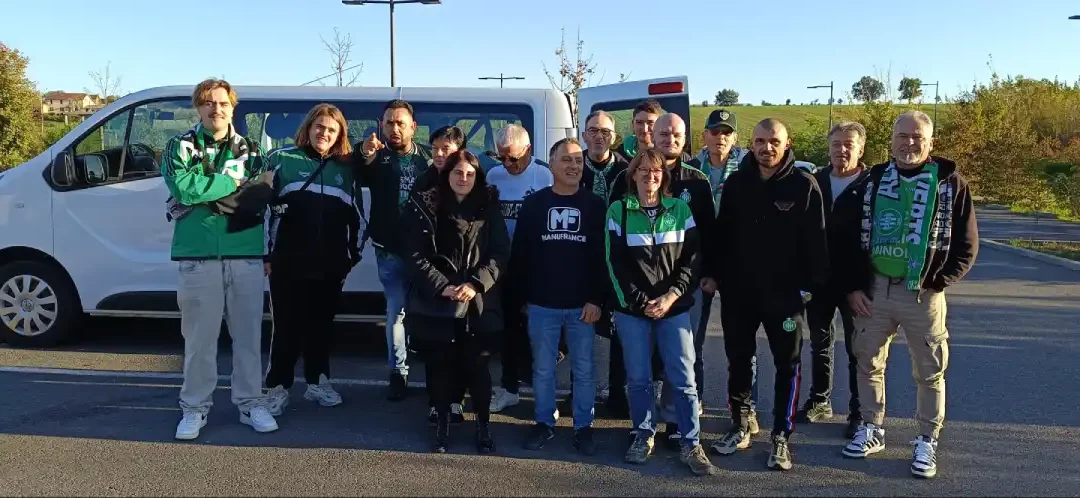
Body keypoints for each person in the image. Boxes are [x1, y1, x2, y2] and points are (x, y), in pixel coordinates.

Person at [838, 111, 978, 480]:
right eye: (903, 136)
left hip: (924, 293)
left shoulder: (950, 183)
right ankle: (872, 428)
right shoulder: (872, 180)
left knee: (931, 370)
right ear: (892, 139)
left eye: (917, 136)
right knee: (868, 362)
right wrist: (853, 286)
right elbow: (848, 237)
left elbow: (967, 243)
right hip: (875, 290)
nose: (909, 143)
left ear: (931, 142)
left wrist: (940, 280)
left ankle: (926, 440)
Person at [709, 118, 829, 471]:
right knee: (739, 361)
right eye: (760, 141)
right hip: (739, 295)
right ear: (752, 143)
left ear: (787, 142)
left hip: (785, 298)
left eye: (774, 141)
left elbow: (817, 243)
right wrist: (717, 276)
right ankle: (740, 424)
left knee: (787, 366)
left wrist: (807, 290)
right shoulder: (736, 183)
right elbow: (721, 237)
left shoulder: (804, 185)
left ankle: (780, 435)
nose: (767, 148)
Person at [163, 79, 278, 439]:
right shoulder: (178, 146)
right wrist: (232, 182)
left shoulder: (253, 150)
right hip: (197, 257)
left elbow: (259, 194)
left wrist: (208, 188)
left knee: (247, 338)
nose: (217, 109)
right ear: (198, 107)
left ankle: (251, 404)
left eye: (223, 103)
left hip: (244, 254)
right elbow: (183, 188)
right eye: (209, 103)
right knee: (199, 342)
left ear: (233, 107)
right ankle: (194, 409)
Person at [605, 148, 717, 476]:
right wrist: (640, 302)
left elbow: (692, 260)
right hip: (632, 310)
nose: (650, 176)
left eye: (656, 171)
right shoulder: (618, 210)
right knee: (638, 379)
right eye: (643, 171)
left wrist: (670, 296)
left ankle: (691, 442)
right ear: (633, 175)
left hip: (674, 308)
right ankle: (643, 435)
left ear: (663, 176)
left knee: (683, 378)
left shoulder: (680, 209)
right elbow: (615, 264)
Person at [402, 150, 510, 454]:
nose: (464, 178)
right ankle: (442, 425)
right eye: (458, 172)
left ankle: (483, 425)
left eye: (470, 174)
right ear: (447, 174)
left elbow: (501, 252)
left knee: (478, 367)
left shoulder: (489, 205)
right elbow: (414, 254)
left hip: (478, 303)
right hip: (437, 301)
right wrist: (442, 286)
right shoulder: (426, 205)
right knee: (439, 366)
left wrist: (476, 284)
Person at [263, 104, 362, 417]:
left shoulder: (345, 168)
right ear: (308, 128)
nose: (325, 134)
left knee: (321, 328)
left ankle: (318, 381)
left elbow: (358, 217)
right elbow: (261, 211)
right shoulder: (281, 159)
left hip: (331, 264)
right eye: (319, 127)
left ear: (339, 135)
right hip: (287, 263)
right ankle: (277, 387)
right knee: (286, 328)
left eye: (332, 130)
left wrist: (351, 258)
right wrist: (266, 254)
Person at [512, 138, 605, 455]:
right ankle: (544, 423)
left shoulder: (595, 206)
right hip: (542, 304)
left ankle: (584, 427)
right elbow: (521, 254)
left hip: (582, 306)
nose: (574, 166)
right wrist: (522, 298)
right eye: (566, 160)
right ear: (550, 165)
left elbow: (601, 257)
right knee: (543, 369)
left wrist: (596, 299)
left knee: (584, 368)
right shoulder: (534, 204)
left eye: (578, 160)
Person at [796, 121, 872, 438]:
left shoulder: (872, 185)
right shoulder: (816, 181)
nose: (842, 150)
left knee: (859, 351)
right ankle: (819, 400)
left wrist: (861, 286)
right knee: (820, 344)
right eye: (836, 143)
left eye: (848, 144)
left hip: (857, 287)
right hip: (821, 283)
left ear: (861, 148)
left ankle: (858, 412)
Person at [355, 99, 434, 401]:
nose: (395, 128)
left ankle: (434, 373)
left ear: (413, 127)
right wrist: (364, 152)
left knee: (428, 313)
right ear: (381, 126)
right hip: (389, 249)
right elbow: (357, 168)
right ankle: (397, 372)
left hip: (426, 252)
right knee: (396, 312)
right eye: (389, 122)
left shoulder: (427, 159)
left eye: (401, 122)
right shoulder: (376, 158)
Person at [692, 108, 761, 436]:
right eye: (714, 131)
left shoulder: (751, 170)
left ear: (734, 138)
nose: (720, 138)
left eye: (726, 132)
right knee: (693, 341)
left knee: (741, 345)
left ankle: (746, 407)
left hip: (739, 268)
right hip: (701, 267)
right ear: (703, 135)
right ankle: (695, 399)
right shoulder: (691, 170)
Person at [486, 124, 554, 414]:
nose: (507, 164)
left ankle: (543, 392)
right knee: (508, 331)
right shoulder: (494, 176)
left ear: (528, 150)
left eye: (513, 158)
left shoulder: (543, 175)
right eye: (501, 157)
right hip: (503, 265)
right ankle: (509, 387)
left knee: (541, 334)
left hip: (536, 265)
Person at [413, 126, 469, 426]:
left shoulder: (472, 183)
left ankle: (457, 400)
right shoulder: (422, 183)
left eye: (445, 148)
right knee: (435, 348)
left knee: (462, 344)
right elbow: (412, 243)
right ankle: (436, 402)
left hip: (465, 282)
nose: (437, 153)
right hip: (434, 281)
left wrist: (472, 281)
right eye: (434, 147)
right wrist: (437, 283)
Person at [578, 109, 631, 416]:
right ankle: (578, 390)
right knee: (581, 328)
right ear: (584, 135)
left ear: (614, 137)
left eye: (606, 132)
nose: (599, 137)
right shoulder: (572, 165)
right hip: (580, 256)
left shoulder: (626, 171)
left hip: (617, 258)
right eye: (593, 131)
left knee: (620, 330)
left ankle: (618, 393)